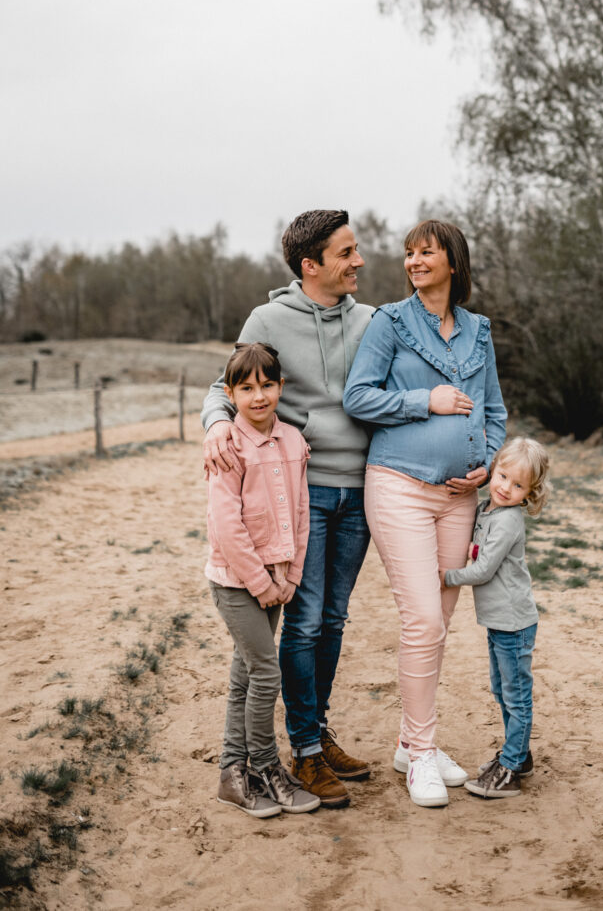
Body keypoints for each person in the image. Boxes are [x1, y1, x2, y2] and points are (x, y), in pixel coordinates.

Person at [202, 209, 373, 808]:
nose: (358, 261)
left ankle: (316, 730)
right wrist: (214, 425)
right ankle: (301, 751)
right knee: (302, 623)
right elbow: (224, 383)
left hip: (362, 493)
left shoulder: (372, 321)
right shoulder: (268, 318)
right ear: (311, 264)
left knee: (333, 621)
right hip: (304, 491)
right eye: (346, 252)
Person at [342, 219, 507, 807]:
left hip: (458, 498)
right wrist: (424, 401)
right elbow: (358, 396)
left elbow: (493, 411)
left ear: (453, 263)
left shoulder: (479, 331)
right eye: (409, 254)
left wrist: (487, 461)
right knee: (423, 623)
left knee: (437, 625)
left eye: (426, 252)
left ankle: (413, 745)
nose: (413, 261)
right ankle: (421, 754)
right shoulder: (389, 323)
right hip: (400, 488)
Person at [206, 341, 320, 818]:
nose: (259, 397)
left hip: (277, 580)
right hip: (237, 583)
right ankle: (267, 767)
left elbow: (300, 511)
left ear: (281, 387)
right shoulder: (228, 445)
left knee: (244, 675)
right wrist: (262, 584)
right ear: (230, 393)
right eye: (247, 388)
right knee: (266, 672)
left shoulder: (293, 440)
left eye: (268, 385)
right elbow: (226, 527)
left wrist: (290, 575)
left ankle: (233, 772)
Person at [441, 436, 550, 800]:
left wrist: (445, 576)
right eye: (502, 476)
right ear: (493, 470)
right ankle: (520, 756)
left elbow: (484, 569)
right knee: (502, 690)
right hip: (500, 621)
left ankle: (510, 767)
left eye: (518, 485)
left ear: (530, 492)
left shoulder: (507, 523)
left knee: (516, 696)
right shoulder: (488, 509)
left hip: (515, 623)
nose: (506, 488)